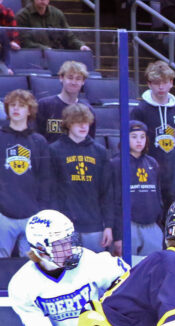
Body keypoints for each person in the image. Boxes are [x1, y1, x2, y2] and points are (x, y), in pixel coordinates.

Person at [49, 104, 116, 254]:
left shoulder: (100, 152)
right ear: (68, 123)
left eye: (85, 122)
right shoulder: (54, 150)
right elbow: (51, 192)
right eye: (77, 122)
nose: (83, 126)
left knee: (94, 273)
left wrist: (109, 226)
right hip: (64, 226)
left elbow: (107, 192)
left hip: (94, 226)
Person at [0, 89, 50, 258]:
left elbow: (45, 180)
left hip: (32, 216)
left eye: (21, 106)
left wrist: (40, 212)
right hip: (3, 215)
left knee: (31, 266)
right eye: (12, 105)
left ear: (29, 110)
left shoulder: (39, 141)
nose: (16, 109)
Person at [131, 61, 175, 199]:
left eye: (164, 82)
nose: (161, 87)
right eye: (156, 83)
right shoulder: (140, 110)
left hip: (174, 174)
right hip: (148, 171)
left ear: (171, 83)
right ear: (149, 84)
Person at [112, 120, 163, 257]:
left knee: (152, 268)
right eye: (134, 137)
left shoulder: (152, 162)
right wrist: (118, 236)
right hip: (129, 225)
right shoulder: (116, 163)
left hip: (151, 225)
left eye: (142, 136)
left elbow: (157, 193)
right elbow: (114, 201)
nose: (139, 141)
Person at [36, 61, 96, 143]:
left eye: (78, 79)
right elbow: (36, 138)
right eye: (70, 78)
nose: (74, 82)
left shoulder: (88, 110)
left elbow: (89, 141)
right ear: (61, 78)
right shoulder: (44, 105)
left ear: (83, 82)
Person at [15, 0, 90, 51]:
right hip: (33, 56)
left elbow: (68, 37)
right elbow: (24, 42)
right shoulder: (23, 16)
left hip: (55, 56)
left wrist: (80, 46)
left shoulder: (57, 14)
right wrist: (45, 49)